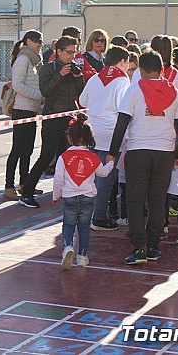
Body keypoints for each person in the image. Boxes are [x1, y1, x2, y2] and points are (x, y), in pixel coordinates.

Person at [108, 50, 178, 265]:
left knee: (134, 200)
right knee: (157, 200)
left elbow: (122, 123)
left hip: (138, 150)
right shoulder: (174, 92)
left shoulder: (134, 90)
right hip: (165, 152)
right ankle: (153, 246)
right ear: (162, 69)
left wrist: (112, 153)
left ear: (140, 70)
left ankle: (139, 248)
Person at [19, 36, 84, 208]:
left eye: (74, 51)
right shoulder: (49, 68)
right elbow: (45, 91)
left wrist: (78, 76)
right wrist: (60, 75)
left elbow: (81, 92)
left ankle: (67, 190)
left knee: (68, 155)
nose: (72, 55)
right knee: (47, 156)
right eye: (69, 52)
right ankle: (26, 192)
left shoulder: (74, 68)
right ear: (59, 52)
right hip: (53, 116)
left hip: (70, 116)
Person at [53, 113, 114, 270]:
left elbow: (58, 178)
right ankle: (82, 256)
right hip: (87, 198)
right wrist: (111, 163)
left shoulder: (64, 157)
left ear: (70, 138)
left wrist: (56, 195)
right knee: (84, 228)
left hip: (69, 198)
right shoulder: (93, 157)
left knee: (68, 225)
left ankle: (67, 247)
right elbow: (103, 173)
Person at [79, 46, 130, 231]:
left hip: (92, 133)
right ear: (122, 61)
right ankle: (99, 218)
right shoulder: (122, 82)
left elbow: (82, 101)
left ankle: (85, 216)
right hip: (111, 135)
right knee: (106, 180)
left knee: (90, 179)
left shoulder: (94, 78)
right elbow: (125, 109)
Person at [4, 30, 44, 201]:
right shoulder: (23, 59)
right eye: (37, 41)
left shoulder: (33, 61)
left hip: (31, 110)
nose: (40, 44)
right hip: (21, 110)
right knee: (17, 149)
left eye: (41, 41)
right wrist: (39, 95)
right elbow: (18, 85)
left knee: (27, 150)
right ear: (28, 41)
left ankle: (24, 184)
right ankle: (8, 186)